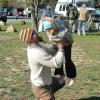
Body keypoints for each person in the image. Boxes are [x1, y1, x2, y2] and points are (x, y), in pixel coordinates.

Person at [19, 28, 65, 100]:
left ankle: (45, 95)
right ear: (30, 39)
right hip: (41, 87)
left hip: (45, 81)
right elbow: (56, 64)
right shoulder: (37, 52)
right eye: (34, 33)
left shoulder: (37, 47)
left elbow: (50, 51)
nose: (37, 34)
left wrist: (55, 46)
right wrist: (61, 49)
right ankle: (44, 95)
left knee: (61, 82)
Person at [42, 20, 77, 87]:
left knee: (67, 60)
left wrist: (68, 43)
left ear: (54, 27)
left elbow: (70, 38)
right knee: (58, 59)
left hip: (66, 45)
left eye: (49, 29)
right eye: (47, 29)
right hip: (57, 45)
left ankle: (72, 77)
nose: (48, 31)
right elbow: (51, 39)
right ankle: (61, 75)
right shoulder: (48, 32)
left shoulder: (63, 32)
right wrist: (57, 44)